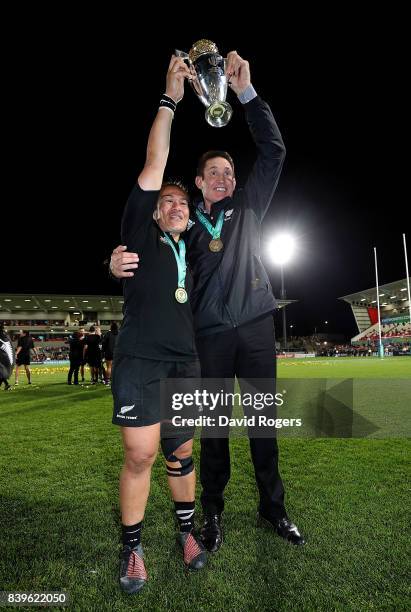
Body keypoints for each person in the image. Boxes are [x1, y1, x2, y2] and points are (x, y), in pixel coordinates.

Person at [110, 51, 305, 552]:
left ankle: (274, 510)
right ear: (198, 183)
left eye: (229, 172)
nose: (223, 177)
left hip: (258, 329)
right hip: (209, 337)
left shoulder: (250, 208)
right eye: (213, 172)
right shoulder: (186, 222)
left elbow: (275, 151)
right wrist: (114, 261)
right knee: (212, 435)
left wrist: (247, 94)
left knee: (264, 427)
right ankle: (211, 515)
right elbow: (149, 257)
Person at [112, 56, 206, 596]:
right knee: (141, 453)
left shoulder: (194, 247)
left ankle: (187, 535)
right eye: (166, 201)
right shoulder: (140, 231)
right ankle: (132, 548)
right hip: (141, 361)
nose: (174, 205)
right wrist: (170, 98)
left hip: (185, 363)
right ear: (152, 210)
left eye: (181, 203)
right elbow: (157, 156)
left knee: (181, 451)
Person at [0, 323, 14, 390]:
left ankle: (7, 385)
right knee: (1, 372)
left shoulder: (2, 334)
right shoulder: (5, 334)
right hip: (5, 357)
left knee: (1, 372)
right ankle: (7, 384)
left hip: (3, 357)